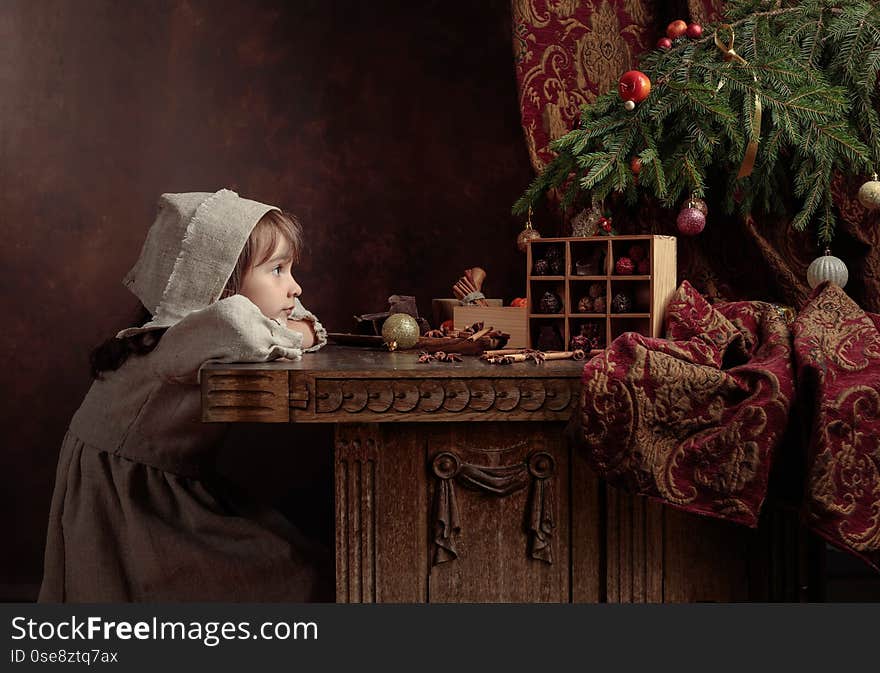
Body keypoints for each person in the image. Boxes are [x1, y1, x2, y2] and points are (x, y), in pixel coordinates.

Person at [39, 189, 331, 602]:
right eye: (278, 270)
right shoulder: (189, 335)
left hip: (163, 480)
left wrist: (295, 330)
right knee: (293, 573)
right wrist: (296, 332)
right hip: (130, 495)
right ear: (220, 283)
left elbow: (299, 328)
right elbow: (242, 325)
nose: (295, 288)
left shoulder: (189, 334)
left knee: (297, 555)